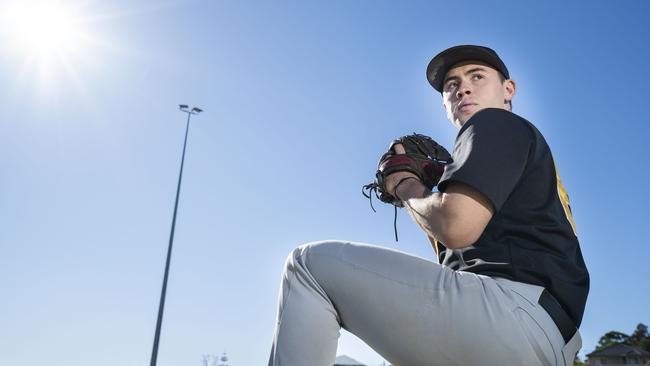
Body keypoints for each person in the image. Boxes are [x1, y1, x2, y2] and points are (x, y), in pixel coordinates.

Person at [267, 45, 589, 366]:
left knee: (307, 267)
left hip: (511, 317)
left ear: (508, 90)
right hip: (539, 338)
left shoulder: (494, 123)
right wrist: (435, 190)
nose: (462, 87)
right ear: (445, 104)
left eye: (476, 76)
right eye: (451, 85)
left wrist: (406, 185)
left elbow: (456, 226)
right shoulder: (510, 150)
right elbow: (462, 252)